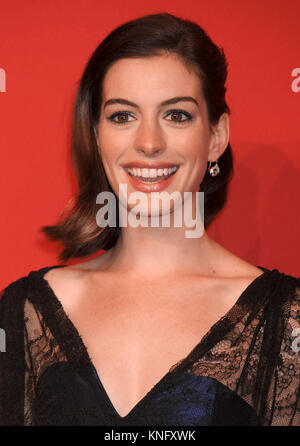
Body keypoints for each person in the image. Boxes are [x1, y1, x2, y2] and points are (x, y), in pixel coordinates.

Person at [0, 12, 299, 427]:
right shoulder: (24, 311)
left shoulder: (286, 320)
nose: (149, 143)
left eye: (176, 115)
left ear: (216, 136)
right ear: (97, 135)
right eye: (122, 115)